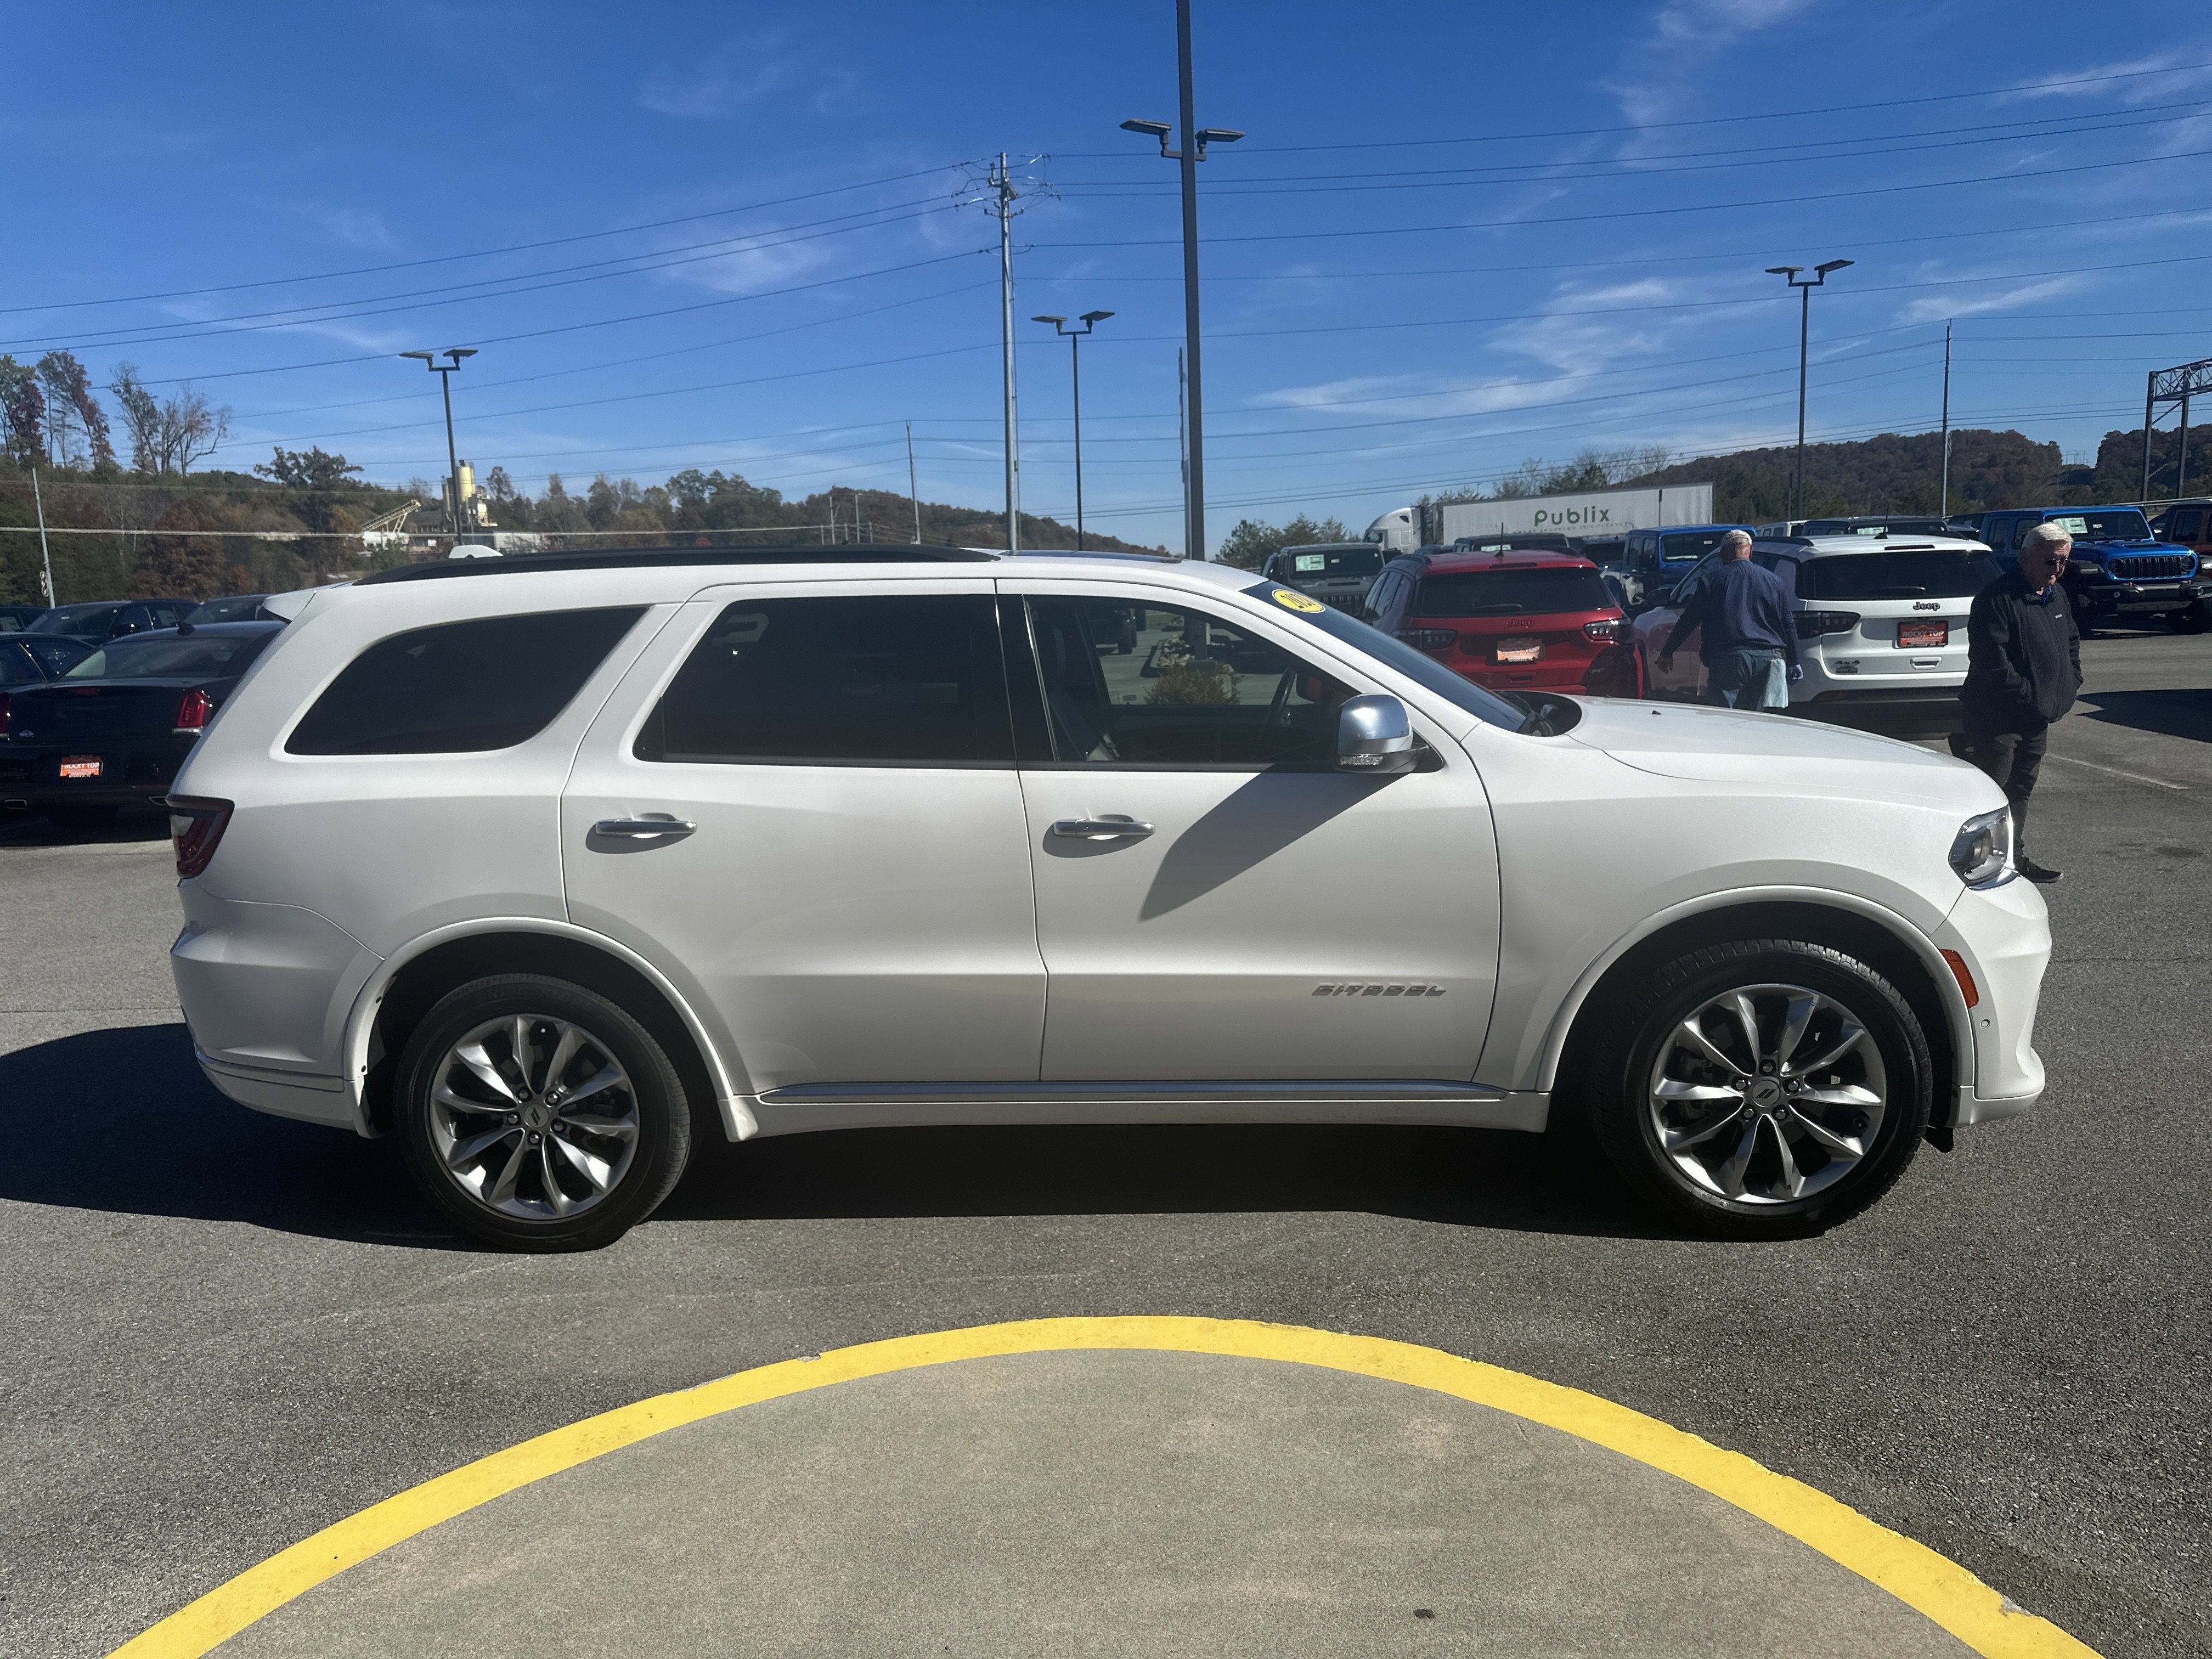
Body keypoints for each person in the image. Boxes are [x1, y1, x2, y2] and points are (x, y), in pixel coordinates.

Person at [1956, 521, 2080, 884]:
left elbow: (2071, 644)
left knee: (2021, 789)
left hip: (2036, 716)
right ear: (2026, 558)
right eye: (2049, 561)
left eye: (2063, 562)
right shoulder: (1997, 599)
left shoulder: (2056, 595)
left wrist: (2069, 684)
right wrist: (2028, 695)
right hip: (1998, 716)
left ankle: (2013, 858)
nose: (2056, 569)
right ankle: (1969, 863)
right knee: (1990, 792)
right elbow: (1990, 661)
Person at [1656, 530, 1803, 708]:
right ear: (1751, 551)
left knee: (1725, 720)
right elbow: (1788, 625)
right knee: (1756, 721)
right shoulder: (1775, 582)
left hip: (1728, 660)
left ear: (1723, 553)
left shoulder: (1710, 581)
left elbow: (1689, 620)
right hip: (1768, 660)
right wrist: (1794, 661)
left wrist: (1667, 653)